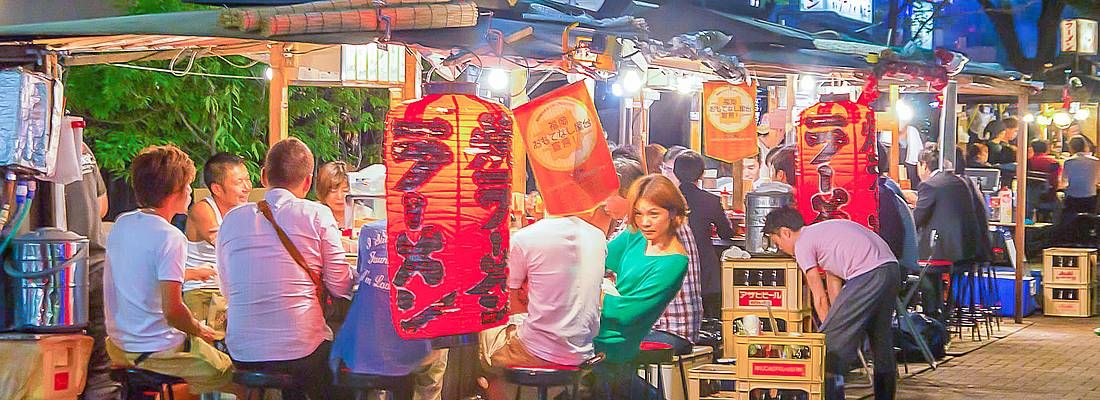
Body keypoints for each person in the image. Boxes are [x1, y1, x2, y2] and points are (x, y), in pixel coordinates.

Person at [217, 138, 354, 400]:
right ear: (307, 181)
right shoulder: (317, 215)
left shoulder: (232, 219)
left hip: (243, 352)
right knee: (338, 370)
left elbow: (226, 289)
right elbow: (340, 285)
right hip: (302, 351)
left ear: (264, 176)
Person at [104, 145, 238, 397]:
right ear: (174, 192)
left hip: (119, 344)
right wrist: (199, 330)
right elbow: (174, 311)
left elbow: (141, 276)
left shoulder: (123, 223)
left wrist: (192, 274)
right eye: (187, 185)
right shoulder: (170, 237)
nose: (190, 191)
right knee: (239, 377)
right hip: (155, 349)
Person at [479, 187, 611, 400]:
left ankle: (491, 389)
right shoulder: (598, 237)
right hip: (583, 352)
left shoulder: (526, 238)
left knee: (486, 331)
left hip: (539, 354)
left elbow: (506, 304)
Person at [763, 207, 899, 400]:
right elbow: (834, 289)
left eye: (778, 243)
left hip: (868, 273)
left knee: (829, 346)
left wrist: (830, 333)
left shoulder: (802, 244)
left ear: (786, 232)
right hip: (891, 268)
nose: (781, 250)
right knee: (881, 340)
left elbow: (819, 297)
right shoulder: (823, 234)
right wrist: (836, 322)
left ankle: (831, 395)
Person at [595, 174, 689, 398]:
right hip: (591, 329)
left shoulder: (674, 261)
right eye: (638, 213)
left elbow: (626, 313)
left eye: (653, 214)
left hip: (615, 343)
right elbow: (599, 257)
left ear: (673, 213)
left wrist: (591, 295)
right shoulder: (636, 235)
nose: (645, 222)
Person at [331, 219, 446, 400]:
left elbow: (361, 276)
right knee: (437, 355)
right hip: (414, 347)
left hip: (363, 347)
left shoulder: (369, 230)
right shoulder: (438, 233)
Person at [610, 158, 702, 354]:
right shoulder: (658, 221)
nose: (604, 203)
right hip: (672, 328)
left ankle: (637, 387)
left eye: (608, 196)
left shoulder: (655, 227)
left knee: (594, 351)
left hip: (667, 330)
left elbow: (602, 257)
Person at [912, 145, 988, 323]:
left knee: (917, 266)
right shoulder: (959, 181)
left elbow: (916, 220)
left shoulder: (930, 185)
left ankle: (932, 316)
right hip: (968, 249)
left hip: (945, 252)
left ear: (923, 165)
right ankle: (944, 311)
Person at [68, 142, 117, 400]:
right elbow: (101, 204)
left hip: (47, 267)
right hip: (95, 261)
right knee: (101, 373)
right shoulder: (80, 143)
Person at [182, 152, 252, 334]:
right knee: (209, 344)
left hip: (231, 290)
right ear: (217, 189)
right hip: (202, 289)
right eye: (239, 183)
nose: (247, 187)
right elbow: (227, 246)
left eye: (248, 180)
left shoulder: (244, 210)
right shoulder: (202, 210)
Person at [674, 150, 734, 321]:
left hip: (675, 267)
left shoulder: (667, 199)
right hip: (705, 270)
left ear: (676, 173)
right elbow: (726, 233)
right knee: (711, 318)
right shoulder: (710, 201)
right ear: (701, 173)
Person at [1061, 136, 1100, 216]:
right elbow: (1097, 180)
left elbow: (1064, 181)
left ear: (1071, 147)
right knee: (1089, 220)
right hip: (1090, 197)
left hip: (1072, 197)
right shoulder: (1096, 161)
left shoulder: (1068, 162)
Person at [316, 161, 350, 227]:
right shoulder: (313, 214)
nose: (339, 196)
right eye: (333, 191)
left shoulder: (365, 215)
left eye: (345, 190)